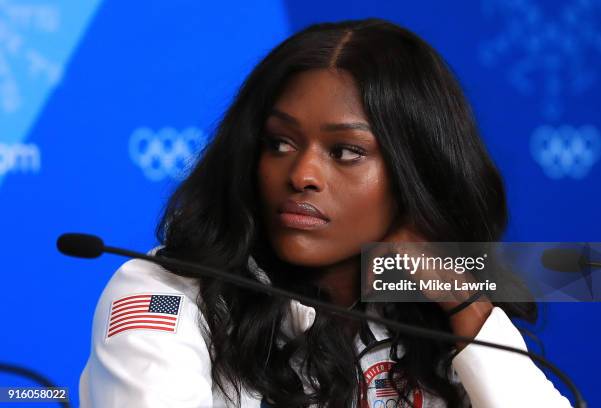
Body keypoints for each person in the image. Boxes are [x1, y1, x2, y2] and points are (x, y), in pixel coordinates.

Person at [79, 18, 573, 407]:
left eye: (345, 152)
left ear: (414, 172)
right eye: (279, 143)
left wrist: (465, 308)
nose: (302, 174)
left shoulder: (425, 304)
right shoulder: (165, 292)